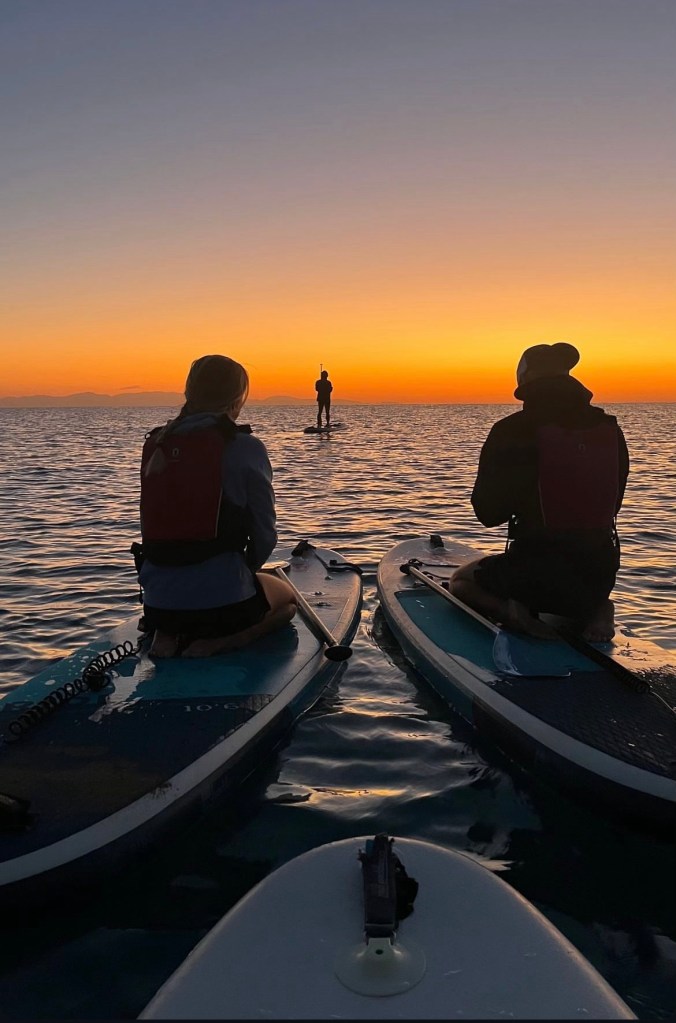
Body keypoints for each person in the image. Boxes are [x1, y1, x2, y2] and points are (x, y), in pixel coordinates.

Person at [448, 342, 629, 642]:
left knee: (460, 581)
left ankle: (512, 613)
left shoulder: (511, 430)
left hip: (534, 578)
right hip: (599, 577)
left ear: (524, 378)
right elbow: (614, 503)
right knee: (577, 579)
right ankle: (600, 609)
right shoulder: (610, 429)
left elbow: (487, 514)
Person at [136, 354, 297, 658]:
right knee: (288, 601)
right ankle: (222, 641)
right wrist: (246, 569)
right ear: (237, 398)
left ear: (189, 392)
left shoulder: (157, 444)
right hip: (224, 608)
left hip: (158, 607)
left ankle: (166, 637)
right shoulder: (245, 447)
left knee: (183, 598)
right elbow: (264, 535)